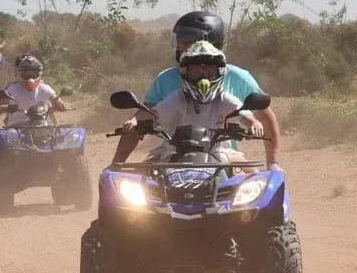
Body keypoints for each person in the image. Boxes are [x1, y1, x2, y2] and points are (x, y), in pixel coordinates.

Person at [114, 11, 281, 166]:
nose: (180, 45)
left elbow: (258, 116)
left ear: (210, 41)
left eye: (187, 39)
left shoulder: (236, 82)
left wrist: (272, 164)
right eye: (179, 40)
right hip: (173, 152)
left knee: (258, 183)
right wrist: (116, 164)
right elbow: (149, 113)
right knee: (133, 184)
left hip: (221, 154)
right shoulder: (170, 84)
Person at [119, 41, 259, 163]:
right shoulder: (178, 98)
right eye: (196, 71)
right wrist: (134, 120)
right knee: (139, 179)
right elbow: (152, 113)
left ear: (220, 72)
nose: (203, 77)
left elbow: (243, 115)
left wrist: (254, 124)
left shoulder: (223, 99)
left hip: (219, 154)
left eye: (209, 70)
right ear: (185, 72)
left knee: (255, 180)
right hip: (173, 152)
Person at [0, 54, 71, 132]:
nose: (30, 78)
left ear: (39, 74)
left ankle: (55, 126)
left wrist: (61, 105)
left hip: (42, 128)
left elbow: (56, 99)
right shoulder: (13, 89)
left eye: (33, 74)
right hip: (18, 129)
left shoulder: (45, 88)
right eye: (26, 74)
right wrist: (8, 108)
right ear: (20, 74)